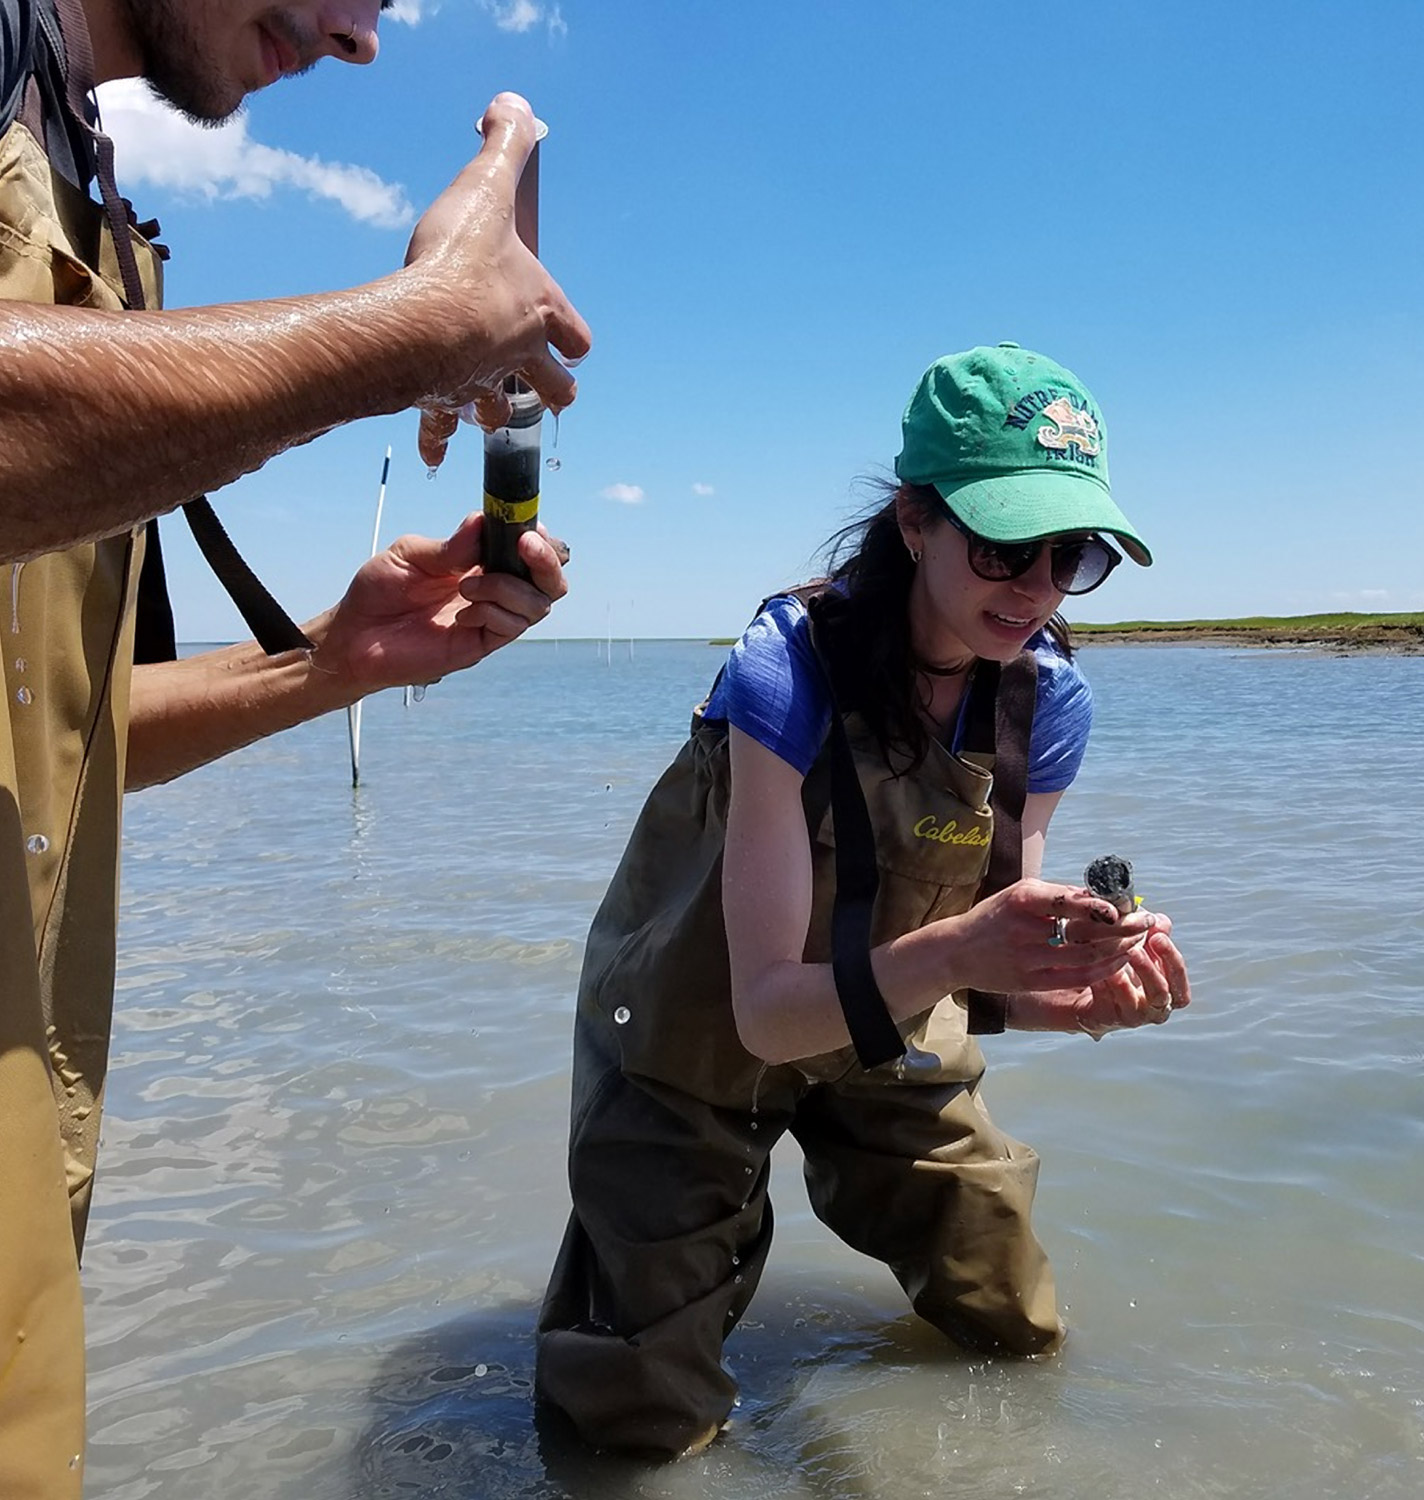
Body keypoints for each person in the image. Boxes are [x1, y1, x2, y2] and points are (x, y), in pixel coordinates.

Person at [0, 2, 591, 1493]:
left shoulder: (73, 161)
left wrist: (326, 664)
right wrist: (408, 333)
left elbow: (72, 736)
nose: (359, 37)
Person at [535, 343, 1192, 1458]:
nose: (1031, 587)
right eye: (1000, 545)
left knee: (1011, 1320)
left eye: (1067, 554)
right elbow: (764, 1017)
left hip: (886, 1015)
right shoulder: (782, 673)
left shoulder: (1048, 708)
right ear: (913, 523)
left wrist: (1071, 994)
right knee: (632, 1420)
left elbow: (978, 965)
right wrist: (964, 953)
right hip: (699, 1030)